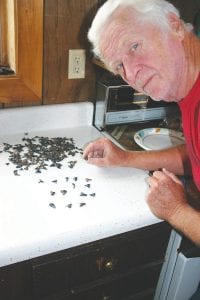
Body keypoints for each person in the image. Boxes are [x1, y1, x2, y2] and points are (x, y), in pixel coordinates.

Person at [83, 0, 200, 246]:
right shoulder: (189, 90)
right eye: (119, 66)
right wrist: (125, 158)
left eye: (134, 46)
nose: (131, 74)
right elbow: (194, 155)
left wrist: (176, 211)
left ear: (174, 25)